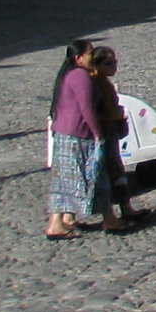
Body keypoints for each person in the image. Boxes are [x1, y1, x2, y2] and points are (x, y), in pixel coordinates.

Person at [46, 45, 121, 238]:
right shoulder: (81, 77)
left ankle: (60, 221)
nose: (92, 56)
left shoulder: (69, 75)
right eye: (89, 53)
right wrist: (97, 133)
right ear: (78, 58)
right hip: (79, 135)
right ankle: (109, 219)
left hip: (65, 134)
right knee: (96, 176)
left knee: (64, 180)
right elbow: (87, 108)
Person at [87, 46, 138, 226]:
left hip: (112, 131)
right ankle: (111, 215)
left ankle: (126, 207)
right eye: (109, 63)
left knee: (117, 169)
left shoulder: (105, 82)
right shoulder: (94, 84)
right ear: (96, 64)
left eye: (115, 62)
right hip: (103, 132)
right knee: (108, 171)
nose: (114, 66)